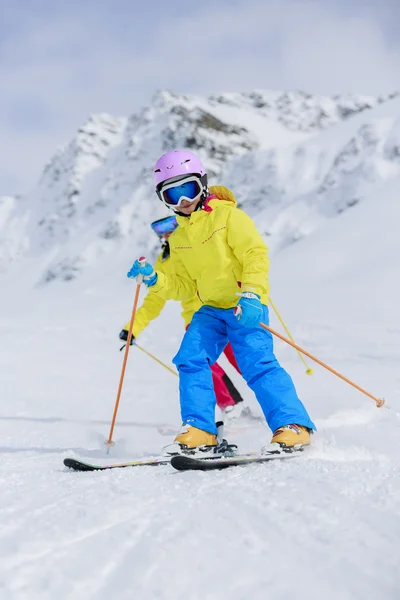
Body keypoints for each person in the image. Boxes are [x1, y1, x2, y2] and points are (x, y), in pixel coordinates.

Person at [127, 149, 315, 454]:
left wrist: (253, 293)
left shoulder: (230, 217)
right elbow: (185, 286)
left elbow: (255, 255)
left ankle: (294, 425)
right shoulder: (178, 238)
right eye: (171, 194)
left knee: (257, 364)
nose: (182, 200)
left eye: (186, 188)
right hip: (210, 310)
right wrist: (154, 279)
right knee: (190, 359)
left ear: (201, 183)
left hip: (243, 304)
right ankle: (201, 429)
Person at [119, 214, 244, 414]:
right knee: (202, 364)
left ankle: (272, 404)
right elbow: (154, 301)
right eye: (161, 230)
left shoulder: (200, 244)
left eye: (172, 226)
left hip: (225, 310)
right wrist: (131, 329)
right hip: (196, 320)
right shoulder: (163, 262)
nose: (168, 233)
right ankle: (232, 407)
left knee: (243, 359)